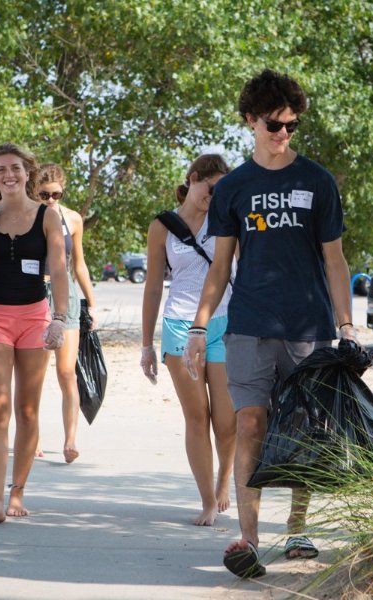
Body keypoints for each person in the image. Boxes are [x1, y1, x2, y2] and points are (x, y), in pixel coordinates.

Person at [184, 70, 359, 577]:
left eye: (292, 126)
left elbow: (336, 261)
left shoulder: (317, 181)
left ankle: (298, 529)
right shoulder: (235, 187)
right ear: (250, 120)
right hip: (248, 326)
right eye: (274, 124)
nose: (283, 134)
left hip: (309, 327)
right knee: (250, 423)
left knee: (303, 429)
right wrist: (199, 327)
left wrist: (347, 326)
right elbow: (220, 268)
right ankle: (248, 539)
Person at [0, 143, 68, 523]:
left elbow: (58, 270)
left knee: (28, 409)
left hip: (34, 317)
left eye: (15, 168)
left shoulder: (47, 216)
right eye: (0, 170)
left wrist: (59, 318)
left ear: (28, 172)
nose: (8, 175)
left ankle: (17, 492)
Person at [141, 154, 236, 526]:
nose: (213, 198)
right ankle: (208, 500)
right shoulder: (162, 226)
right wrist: (147, 344)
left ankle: (224, 479)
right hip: (179, 325)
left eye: (220, 192)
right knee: (197, 416)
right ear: (194, 179)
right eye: (210, 189)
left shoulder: (227, 221)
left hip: (224, 322)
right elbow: (151, 287)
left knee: (226, 421)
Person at [36, 162, 97, 463]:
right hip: (34, 293)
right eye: (44, 194)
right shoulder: (30, 216)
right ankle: (31, 436)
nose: (50, 200)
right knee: (33, 373)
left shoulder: (73, 218)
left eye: (56, 194)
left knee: (66, 373)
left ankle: (70, 440)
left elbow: (80, 264)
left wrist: (91, 302)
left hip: (67, 295)